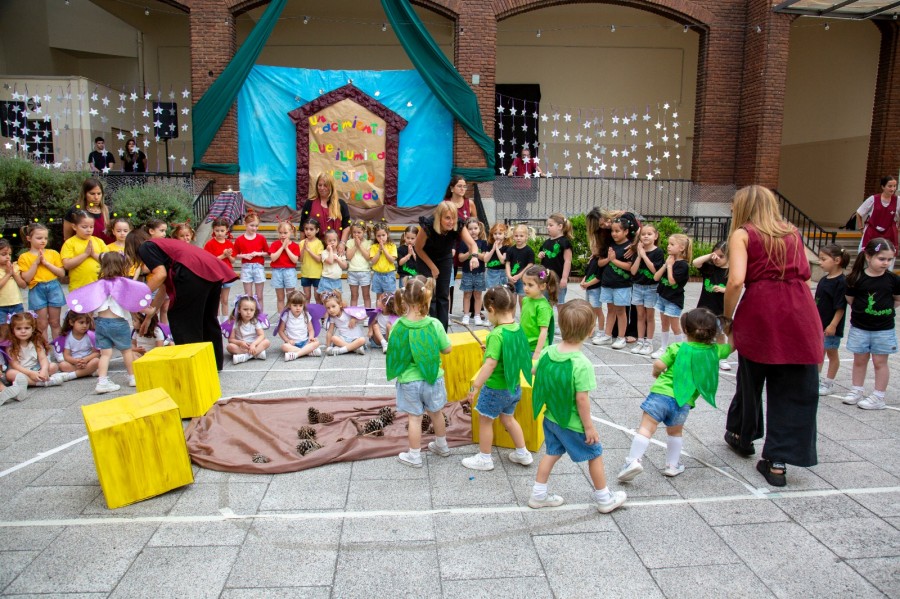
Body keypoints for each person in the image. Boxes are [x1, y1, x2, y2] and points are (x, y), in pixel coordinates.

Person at [723, 185, 823, 488]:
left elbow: (736, 280)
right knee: (795, 385)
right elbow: (805, 274)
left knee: (750, 377)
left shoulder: (743, 234)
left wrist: (727, 319)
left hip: (762, 308)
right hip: (799, 308)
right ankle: (778, 461)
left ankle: (743, 434)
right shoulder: (792, 232)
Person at [529, 299, 627, 513]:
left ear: (561, 326)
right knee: (595, 454)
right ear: (591, 331)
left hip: (551, 418)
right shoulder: (581, 364)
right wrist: (589, 427)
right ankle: (604, 499)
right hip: (572, 423)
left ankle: (538, 495)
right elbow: (582, 400)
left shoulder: (548, 352)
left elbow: (534, 370)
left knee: (551, 453)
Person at [618, 308, 734, 483]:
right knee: (675, 432)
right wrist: (728, 330)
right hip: (683, 400)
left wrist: (656, 373)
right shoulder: (715, 351)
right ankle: (672, 465)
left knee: (646, 428)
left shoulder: (678, 347)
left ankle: (633, 461)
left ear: (686, 330)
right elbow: (732, 346)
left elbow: (659, 364)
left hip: (660, 394)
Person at [124, 227, 238, 371]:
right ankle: (213, 364)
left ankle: (192, 367)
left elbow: (160, 275)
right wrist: (149, 316)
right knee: (207, 320)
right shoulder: (164, 246)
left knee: (183, 321)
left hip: (193, 273)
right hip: (210, 270)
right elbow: (164, 288)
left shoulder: (146, 247)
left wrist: (138, 297)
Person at [461, 284, 534, 471]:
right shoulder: (517, 329)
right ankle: (523, 453)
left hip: (495, 389)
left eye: (487, 312)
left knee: (485, 420)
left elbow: (490, 365)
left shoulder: (496, 334)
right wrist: (491, 351)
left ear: (492, 309)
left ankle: (485, 458)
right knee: (508, 419)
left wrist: (475, 387)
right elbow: (514, 354)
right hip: (513, 387)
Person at [385, 276, 453, 468]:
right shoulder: (434, 324)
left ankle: (414, 456)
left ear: (404, 300)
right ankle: (442, 446)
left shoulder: (398, 325)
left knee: (415, 418)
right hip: (433, 378)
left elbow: (394, 350)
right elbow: (447, 349)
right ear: (426, 299)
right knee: (436, 413)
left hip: (409, 380)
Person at [68, 252, 142, 393]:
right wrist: (138, 315)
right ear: (122, 266)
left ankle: (102, 381)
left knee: (105, 353)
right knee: (126, 351)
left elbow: (90, 303)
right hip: (119, 322)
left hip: (101, 322)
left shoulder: (98, 284)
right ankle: (132, 377)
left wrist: (90, 317)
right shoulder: (123, 284)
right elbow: (130, 302)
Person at [841, 238, 899, 410]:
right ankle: (856, 390)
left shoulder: (893, 280)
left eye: (889, 259)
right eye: (882, 259)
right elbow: (850, 299)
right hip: (860, 328)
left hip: (884, 329)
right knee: (859, 360)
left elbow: (897, 299)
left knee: (880, 362)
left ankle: (878, 396)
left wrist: (882, 311)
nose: (886, 263)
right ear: (868, 256)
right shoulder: (856, 278)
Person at [414, 201, 479, 330]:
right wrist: (432, 267)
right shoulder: (428, 225)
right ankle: (431, 329)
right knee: (430, 295)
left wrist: (475, 257)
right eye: (447, 218)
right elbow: (418, 248)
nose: (451, 222)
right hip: (426, 258)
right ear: (439, 218)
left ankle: (442, 331)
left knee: (443, 294)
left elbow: (472, 244)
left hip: (445, 257)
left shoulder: (458, 225)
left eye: (453, 217)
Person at [4, 312, 72, 394]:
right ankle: (42, 382)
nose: (23, 331)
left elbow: (43, 358)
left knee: (53, 366)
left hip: (36, 368)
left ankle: (32, 380)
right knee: (10, 374)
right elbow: (15, 365)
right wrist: (30, 373)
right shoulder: (10, 345)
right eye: (18, 329)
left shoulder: (36, 342)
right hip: (21, 371)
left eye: (27, 328)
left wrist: (44, 370)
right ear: (12, 330)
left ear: (32, 329)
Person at [596, 217, 636, 350]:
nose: (614, 234)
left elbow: (630, 267)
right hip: (607, 283)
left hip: (622, 285)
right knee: (610, 310)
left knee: (621, 311)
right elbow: (600, 263)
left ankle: (621, 337)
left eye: (617, 231)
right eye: (612, 231)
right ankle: (607, 335)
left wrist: (614, 260)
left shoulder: (629, 247)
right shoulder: (609, 245)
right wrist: (609, 259)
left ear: (626, 231)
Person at [17, 225, 64, 340]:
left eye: (45, 238)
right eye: (39, 238)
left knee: (55, 322)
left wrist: (47, 263)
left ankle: (58, 348)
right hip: (37, 289)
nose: (43, 241)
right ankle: (44, 348)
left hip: (53, 287)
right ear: (29, 238)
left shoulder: (53, 253)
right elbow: (27, 278)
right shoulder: (24, 257)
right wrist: (36, 262)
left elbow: (61, 273)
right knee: (41, 324)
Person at [815, 244, 850, 396]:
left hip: (830, 326)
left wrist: (833, 325)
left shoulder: (841, 282)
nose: (820, 262)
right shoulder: (824, 280)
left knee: (831, 353)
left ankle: (828, 383)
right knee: (819, 353)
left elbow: (840, 307)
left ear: (837, 260)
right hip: (819, 324)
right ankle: (815, 380)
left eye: (823, 259)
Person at [651, 234, 692, 360]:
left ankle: (680, 350)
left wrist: (669, 266)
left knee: (675, 326)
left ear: (681, 248)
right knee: (664, 324)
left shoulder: (683, 265)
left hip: (674, 300)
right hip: (663, 297)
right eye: (668, 244)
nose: (668, 246)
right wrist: (665, 265)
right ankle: (663, 348)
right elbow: (656, 277)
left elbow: (672, 281)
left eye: (672, 244)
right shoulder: (669, 261)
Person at [692, 240, 730, 370]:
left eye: (721, 256)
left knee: (719, 333)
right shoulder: (710, 267)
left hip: (719, 308)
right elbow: (695, 262)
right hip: (704, 307)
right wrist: (710, 256)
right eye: (715, 255)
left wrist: (724, 290)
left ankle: (722, 358)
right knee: (701, 332)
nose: (717, 259)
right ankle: (701, 355)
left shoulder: (730, 271)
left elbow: (737, 286)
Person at [630, 224, 664, 356]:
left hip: (651, 288)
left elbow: (655, 271)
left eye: (649, 234)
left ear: (655, 236)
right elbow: (633, 271)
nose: (646, 236)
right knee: (640, 315)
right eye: (643, 234)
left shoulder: (658, 252)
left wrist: (644, 256)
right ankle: (640, 341)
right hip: (637, 287)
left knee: (649, 316)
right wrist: (639, 255)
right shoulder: (638, 251)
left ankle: (649, 342)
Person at [60, 210, 108, 292]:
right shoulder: (69, 243)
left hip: (99, 287)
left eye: (91, 227)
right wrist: (85, 254)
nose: (89, 230)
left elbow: (108, 261)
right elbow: (67, 265)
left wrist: (93, 254)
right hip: (78, 287)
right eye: (84, 227)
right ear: (74, 227)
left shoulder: (98, 241)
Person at [301, 173, 351, 248]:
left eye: (325, 185)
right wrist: (302, 246)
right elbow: (302, 226)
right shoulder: (309, 203)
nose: (322, 188)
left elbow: (346, 227)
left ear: (331, 187)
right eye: (320, 185)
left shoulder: (341, 204)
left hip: (335, 247)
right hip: (314, 248)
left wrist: (342, 244)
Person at [233, 211, 268, 312]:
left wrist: (258, 253)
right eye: (252, 225)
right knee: (248, 295)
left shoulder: (261, 238)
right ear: (245, 224)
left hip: (258, 266)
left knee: (259, 295)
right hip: (246, 267)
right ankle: (249, 314)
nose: (254, 228)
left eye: (256, 226)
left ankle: (260, 314)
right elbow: (235, 254)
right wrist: (244, 255)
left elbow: (267, 252)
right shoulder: (240, 239)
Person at [521, 265, 558, 361]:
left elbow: (544, 331)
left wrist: (537, 352)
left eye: (530, 285)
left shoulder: (543, 307)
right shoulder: (526, 299)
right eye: (524, 284)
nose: (525, 288)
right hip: (525, 344)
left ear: (542, 286)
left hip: (535, 349)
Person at [456, 218, 489, 326]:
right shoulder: (464, 243)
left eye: (475, 228)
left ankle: (477, 315)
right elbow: (460, 258)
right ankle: (466, 315)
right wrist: (469, 253)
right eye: (470, 229)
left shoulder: (483, 242)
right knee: (467, 294)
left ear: (479, 229)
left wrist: (475, 253)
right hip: (467, 272)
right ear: (466, 230)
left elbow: (484, 258)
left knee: (478, 294)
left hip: (479, 273)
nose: (473, 231)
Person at [63, 178, 114, 244]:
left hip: (105, 249)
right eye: (92, 194)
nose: (96, 197)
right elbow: (67, 238)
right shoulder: (75, 211)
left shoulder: (108, 211)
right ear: (85, 194)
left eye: (99, 194)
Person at [276, 290, 322, 361]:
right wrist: (287, 340)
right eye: (295, 305)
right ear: (289, 305)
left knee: (317, 342)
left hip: (305, 342)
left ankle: (296, 354)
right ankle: (308, 352)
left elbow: (311, 330)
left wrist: (311, 338)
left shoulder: (306, 315)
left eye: (300, 305)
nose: (298, 308)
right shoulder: (286, 315)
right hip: (292, 343)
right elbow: (281, 331)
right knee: (284, 346)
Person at [856, 175, 899, 250]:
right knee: (866, 253)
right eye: (890, 186)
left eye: (894, 186)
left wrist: (898, 228)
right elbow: (859, 213)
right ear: (883, 187)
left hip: (889, 234)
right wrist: (861, 228)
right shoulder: (873, 199)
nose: (893, 189)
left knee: (888, 254)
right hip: (872, 232)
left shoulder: (898, 200)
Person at [538, 213, 573, 304]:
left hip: (558, 279)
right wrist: (540, 255)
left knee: (559, 303)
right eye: (547, 225)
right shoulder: (546, 242)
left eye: (551, 225)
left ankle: (561, 315)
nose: (548, 227)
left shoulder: (565, 242)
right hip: (545, 278)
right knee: (544, 302)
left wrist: (564, 278)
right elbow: (543, 261)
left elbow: (568, 261)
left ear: (560, 226)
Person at [203, 218, 235, 317]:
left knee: (225, 299)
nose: (220, 233)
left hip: (227, 273)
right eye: (217, 231)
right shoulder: (210, 244)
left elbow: (233, 260)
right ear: (213, 230)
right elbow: (209, 261)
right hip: (215, 274)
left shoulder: (229, 243)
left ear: (227, 230)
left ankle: (225, 320)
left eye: (222, 231)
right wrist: (223, 255)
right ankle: (216, 320)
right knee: (216, 299)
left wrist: (228, 255)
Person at [226, 296, 270, 364]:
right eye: (245, 309)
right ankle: (256, 354)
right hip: (242, 346)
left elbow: (261, 335)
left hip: (254, 345)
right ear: (239, 310)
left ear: (255, 311)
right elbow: (231, 339)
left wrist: (254, 344)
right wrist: (240, 343)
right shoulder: (235, 322)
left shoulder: (255, 321)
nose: (248, 312)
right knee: (230, 347)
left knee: (267, 342)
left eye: (251, 310)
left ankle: (245, 356)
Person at [269, 221, 301, 314]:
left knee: (290, 297)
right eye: (280, 233)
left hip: (289, 271)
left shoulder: (294, 246)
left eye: (285, 233)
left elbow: (294, 260)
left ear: (291, 232)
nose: (283, 235)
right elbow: (273, 258)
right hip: (277, 271)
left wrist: (286, 248)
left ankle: (290, 315)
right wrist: (282, 247)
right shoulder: (275, 244)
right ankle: (281, 316)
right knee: (280, 297)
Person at [323, 290, 367, 356]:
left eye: (333, 306)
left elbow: (365, 315)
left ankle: (341, 351)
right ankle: (353, 348)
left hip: (356, 338)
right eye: (328, 308)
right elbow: (330, 332)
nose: (331, 310)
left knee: (362, 340)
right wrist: (328, 346)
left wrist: (354, 319)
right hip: (344, 339)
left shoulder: (347, 312)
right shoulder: (333, 318)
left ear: (340, 305)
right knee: (334, 338)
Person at [57, 311, 100, 378]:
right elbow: (66, 356)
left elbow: (96, 353)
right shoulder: (67, 337)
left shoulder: (90, 335)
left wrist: (85, 359)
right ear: (71, 322)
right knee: (62, 365)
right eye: (81, 322)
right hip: (75, 364)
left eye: (87, 323)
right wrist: (76, 361)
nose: (85, 326)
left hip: (88, 361)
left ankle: (72, 375)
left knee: (96, 361)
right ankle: (88, 372)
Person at [505, 223, 535, 311]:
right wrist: (509, 275)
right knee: (512, 302)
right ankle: (511, 319)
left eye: (521, 236)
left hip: (523, 280)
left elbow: (530, 264)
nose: (518, 238)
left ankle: (523, 318)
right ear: (513, 236)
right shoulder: (510, 250)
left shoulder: (529, 251)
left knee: (523, 301)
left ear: (526, 237)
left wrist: (519, 275)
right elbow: (507, 263)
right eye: (516, 236)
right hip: (512, 279)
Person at [346, 222, 373, 307]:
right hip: (352, 272)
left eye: (359, 232)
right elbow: (349, 257)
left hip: (365, 272)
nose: (356, 234)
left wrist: (360, 245)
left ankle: (368, 313)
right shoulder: (350, 242)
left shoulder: (368, 242)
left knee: (366, 295)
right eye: (354, 232)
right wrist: (356, 245)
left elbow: (368, 257)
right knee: (354, 296)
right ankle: (353, 313)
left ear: (364, 232)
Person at [0, 239, 25, 328]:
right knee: (3, 330)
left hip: (16, 304)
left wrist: (13, 273)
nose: (8, 257)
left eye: (9, 254)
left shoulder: (15, 267)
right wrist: (8, 274)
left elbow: (23, 285)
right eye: (4, 254)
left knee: (18, 327)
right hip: (1, 306)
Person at [299, 218, 324, 304]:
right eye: (306, 229)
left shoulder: (319, 243)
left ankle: (319, 311)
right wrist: (303, 248)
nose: (308, 231)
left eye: (311, 229)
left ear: (317, 230)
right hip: (305, 273)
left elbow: (319, 259)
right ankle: (307, 311)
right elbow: (300, 259)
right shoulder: (302, 243)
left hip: (317, 274)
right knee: (306, 297)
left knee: (318, 297)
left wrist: (309, 250)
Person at [369, 222, 398, 296]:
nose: (381, 238)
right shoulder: (374, 246)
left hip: (388, 275)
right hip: (377, 275)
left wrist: (384, 249)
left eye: (383, 235)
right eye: (378, 236)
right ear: (375, 236)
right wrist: (379, 250)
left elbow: (392, 260)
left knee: (389, 297)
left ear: (387, 234)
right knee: (379, 297)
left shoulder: (392, 246)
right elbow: (373, 261)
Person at [319, 229, 347, 296]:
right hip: (326, 280)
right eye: (330, 241)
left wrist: (338, 260)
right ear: (326, 241)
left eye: (334, 240)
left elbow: (344, 266)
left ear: (337, 241)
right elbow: (330, 261)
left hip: (337, 280)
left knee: (337, 299)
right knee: (326, 299)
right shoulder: (324, 252)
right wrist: (331, 250)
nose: (332, 242)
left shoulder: (340, 252)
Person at [484, 223, 509, 289]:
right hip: (491, 272)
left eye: (500, 234)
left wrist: (497, 249)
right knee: (491, 292)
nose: (497, 236)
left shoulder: (506, 247)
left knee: (501, 292)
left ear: (504, 234)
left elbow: (503, 261)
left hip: (502, 272)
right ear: (492, 235)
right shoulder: (490, 245)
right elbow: (485, 260)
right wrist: (493, 249)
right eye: (495, 234)